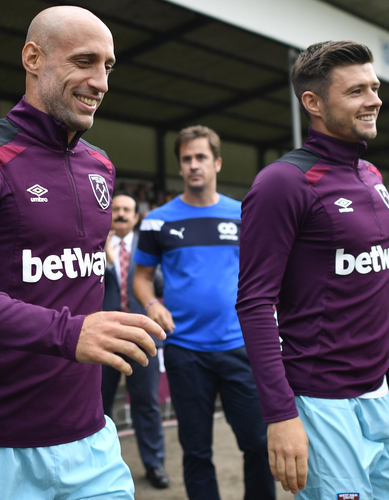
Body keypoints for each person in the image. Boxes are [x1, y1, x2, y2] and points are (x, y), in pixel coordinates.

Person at [0, 6, 165, 500]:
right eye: (85, 61)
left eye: (108, 66)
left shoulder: (101, 166)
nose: (101, 82)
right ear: (34, 58)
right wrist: (69, 332)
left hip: (91, 440)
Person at [236, 41, 389, 499]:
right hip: (322, 402)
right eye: (357, 91)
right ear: (313, 103)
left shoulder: (372, 176)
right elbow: (255, 303)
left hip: (379, 392)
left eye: (375, 87)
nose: (375, 99)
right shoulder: (282, 183)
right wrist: (281, 416)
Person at [133, 125, 275, 500]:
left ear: (217, 163)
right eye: (187, 159)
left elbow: (263, 275)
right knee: (196, 451)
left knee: (258, 444)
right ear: (180, 166)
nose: (194, 165)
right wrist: (151, 304)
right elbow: (142, 279)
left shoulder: (245, 214)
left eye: (201, 158)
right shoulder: (157, 220)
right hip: (185, 352)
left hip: (239, 347)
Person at [101, 191, 169, 489]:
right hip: (102, 337)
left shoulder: (147, 247)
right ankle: (97, 467)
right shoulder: (95, 244)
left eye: (128, 209)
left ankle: (154, 465)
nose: (121, 214)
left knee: (147, 404)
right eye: (116, 209)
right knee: (96, 405)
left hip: (143, 336)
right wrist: (106, 263)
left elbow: (163, 283)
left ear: (137, 216)